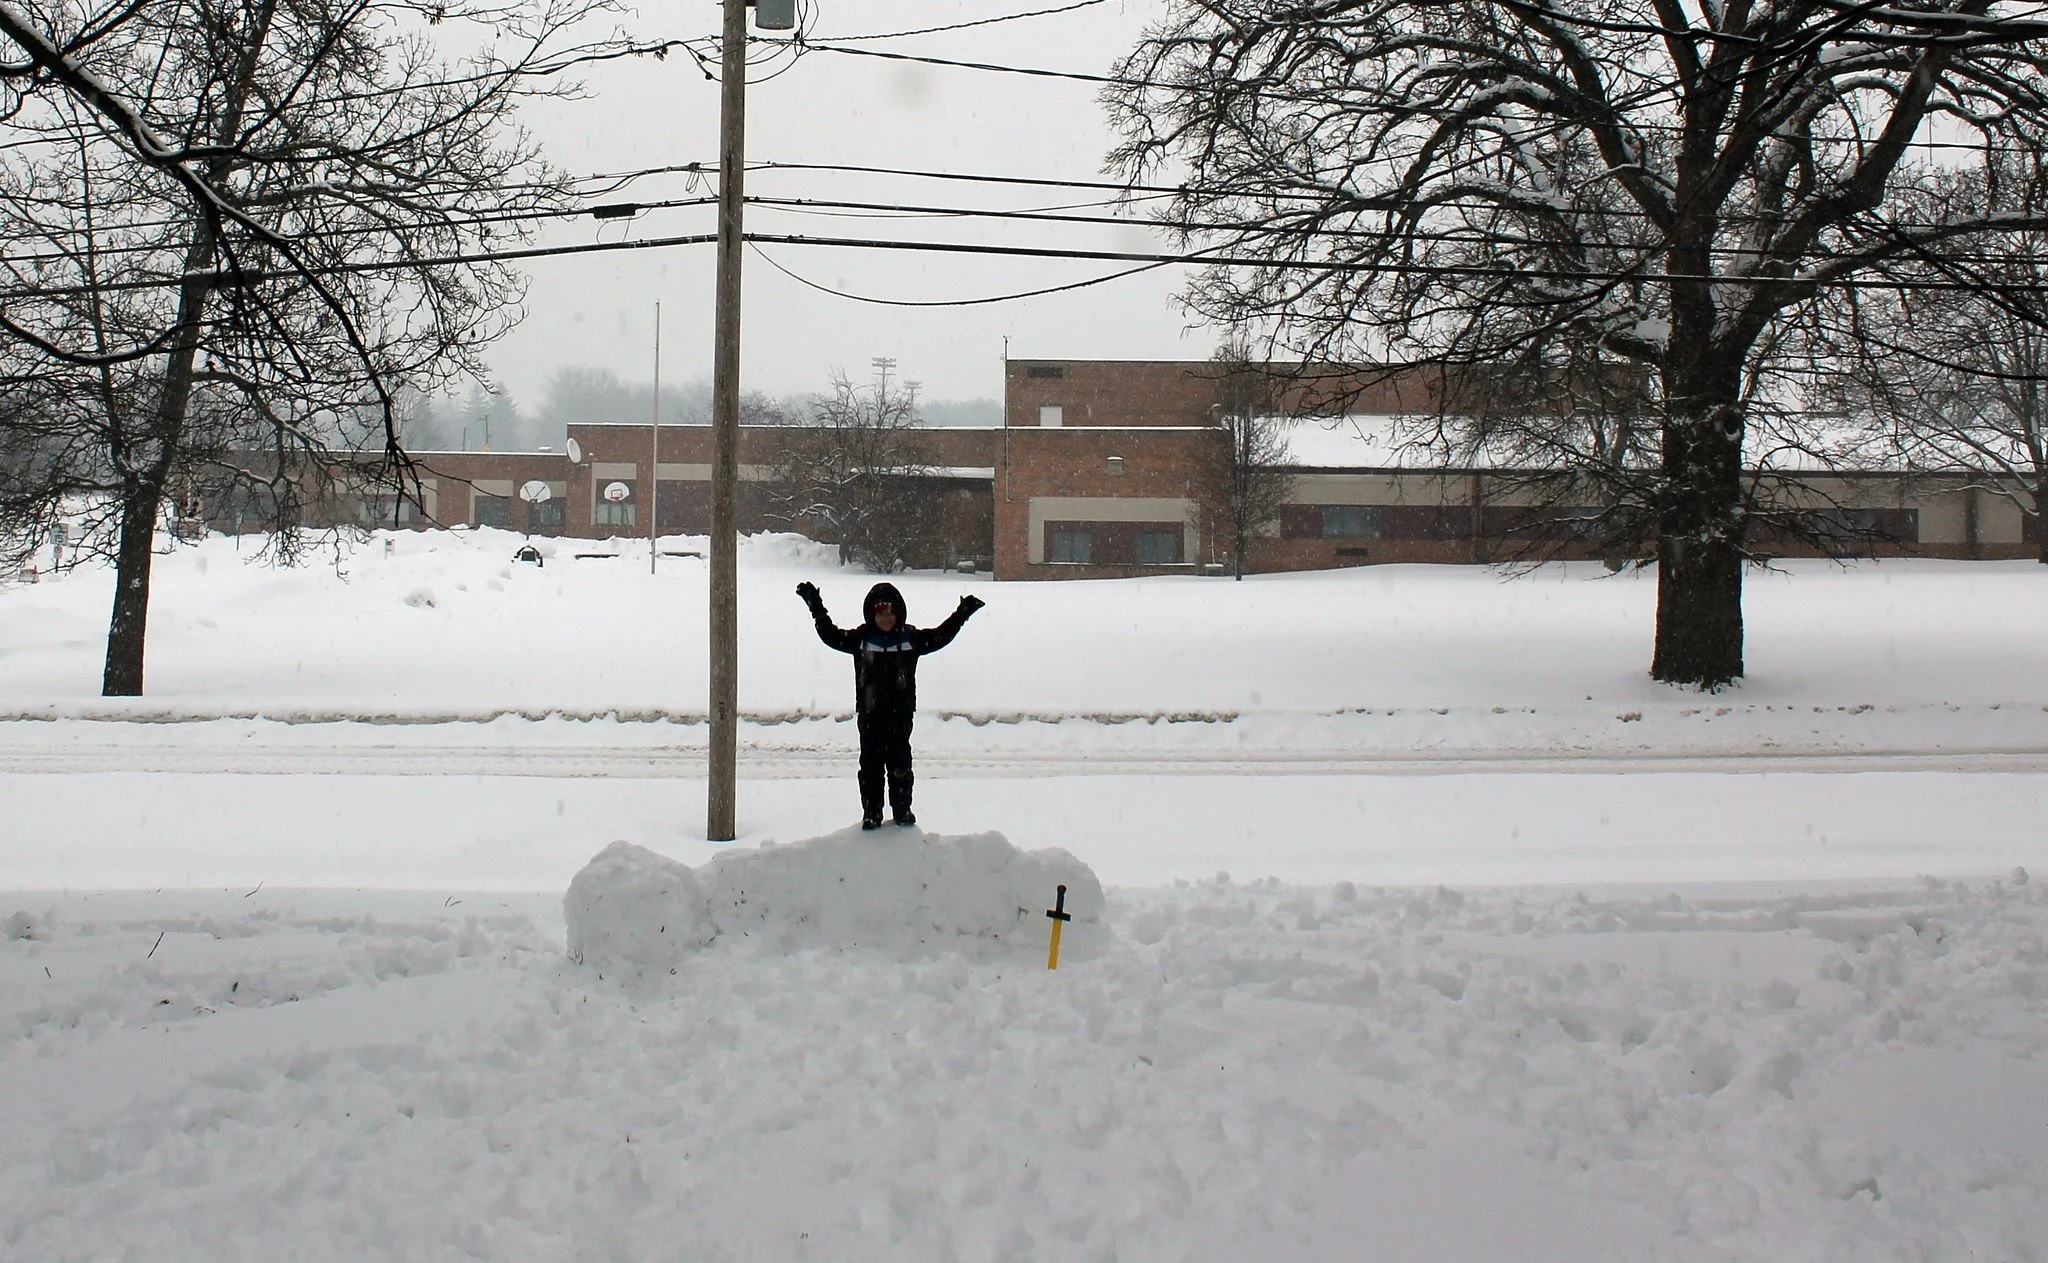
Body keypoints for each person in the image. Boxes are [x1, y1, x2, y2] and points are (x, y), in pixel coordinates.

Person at [797, 579, 984, 830]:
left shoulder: (910, 639)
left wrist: (962, 614)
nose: (886, 618)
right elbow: (831, 636)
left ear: (898, 613)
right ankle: (872, 812)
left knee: (900, 766)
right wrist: (816, 607)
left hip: (900, 717)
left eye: (890, 613)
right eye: (880, 613)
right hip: (870, 715)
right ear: (872, 615)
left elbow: (940, 636)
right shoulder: (862, 639)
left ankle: (902, 809)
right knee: (871, 767)